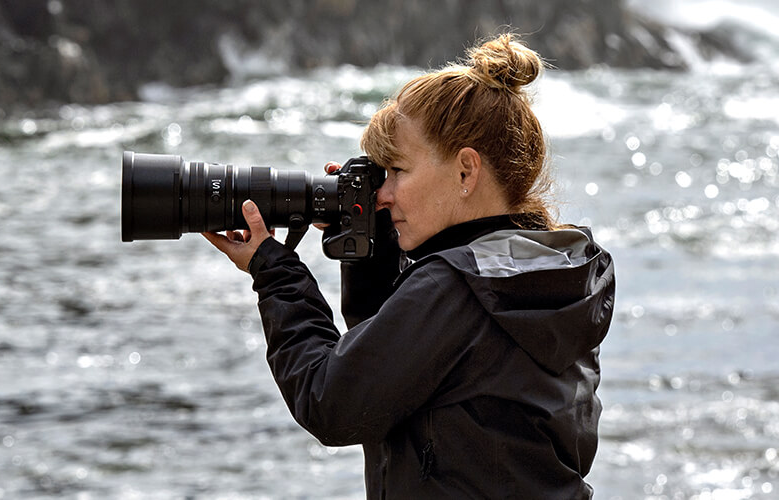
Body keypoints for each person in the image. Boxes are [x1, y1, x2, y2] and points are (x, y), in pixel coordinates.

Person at [204, 33, 615, 499]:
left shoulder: (456, 286)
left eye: (397, 171)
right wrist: (372, 255)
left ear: (466, 171)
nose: (383, 193)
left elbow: (332, 402)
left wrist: (275, 274)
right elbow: (394, 377)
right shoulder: (546, 269)